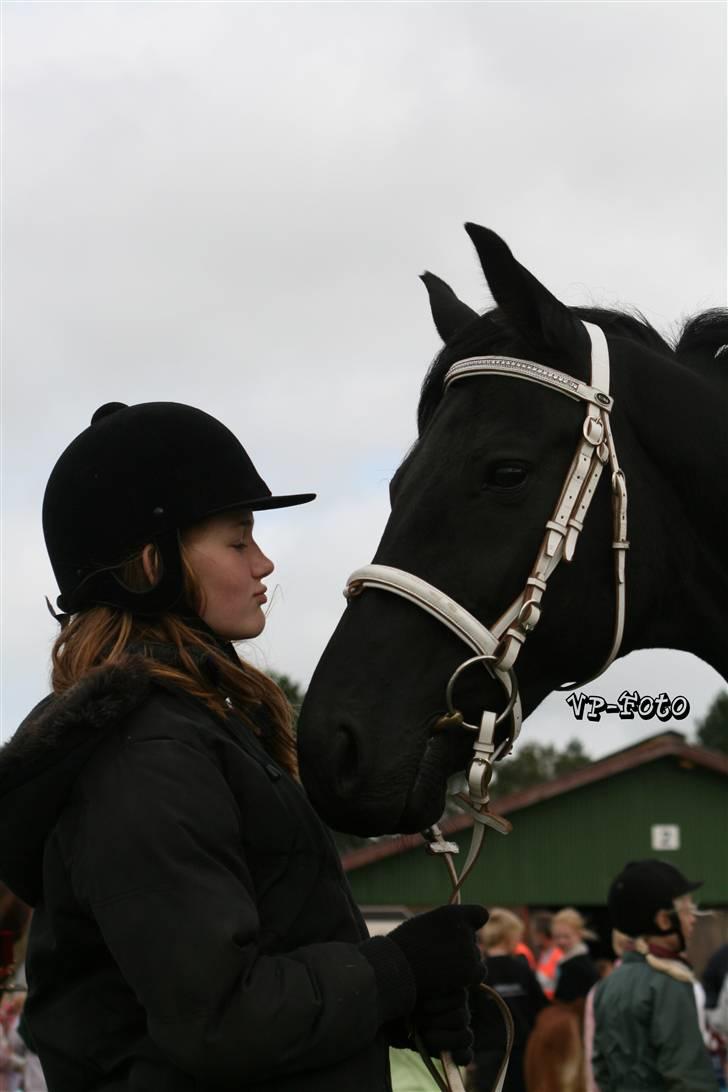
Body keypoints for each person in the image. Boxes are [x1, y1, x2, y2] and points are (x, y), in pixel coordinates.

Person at [0, 401, 488, 1092]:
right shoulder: (143, 756)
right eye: (238, 541)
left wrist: (392, 1017)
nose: (264, 563)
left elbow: (258, 977)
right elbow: (221, 1019)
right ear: (150, 564)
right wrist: (396, 971)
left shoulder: (201, 728)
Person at [591, 859, 716, 1091]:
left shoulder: (609, 984)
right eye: (687, 909)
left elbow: (602, 1068)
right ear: (664, 920)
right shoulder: (669, 983)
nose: (693, 918)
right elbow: (687, 1075)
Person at [470, 909, 547, 1092]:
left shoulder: (478, 973)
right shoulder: (522, 970)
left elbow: (469, 1014)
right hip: (521, 1051)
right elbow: (540, 1008)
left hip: (487, 1053)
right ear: (510, 937)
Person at [551, 909, 600, 1003]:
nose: (561, 941)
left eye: (566, 936)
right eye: (557, 937)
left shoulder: (576, 965)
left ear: (579, 935)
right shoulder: (571, 961)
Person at [531, 912, 563, 1001]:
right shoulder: (544, 954)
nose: (533, 936)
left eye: (535, 932)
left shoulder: (558, 956)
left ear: (543, 933)